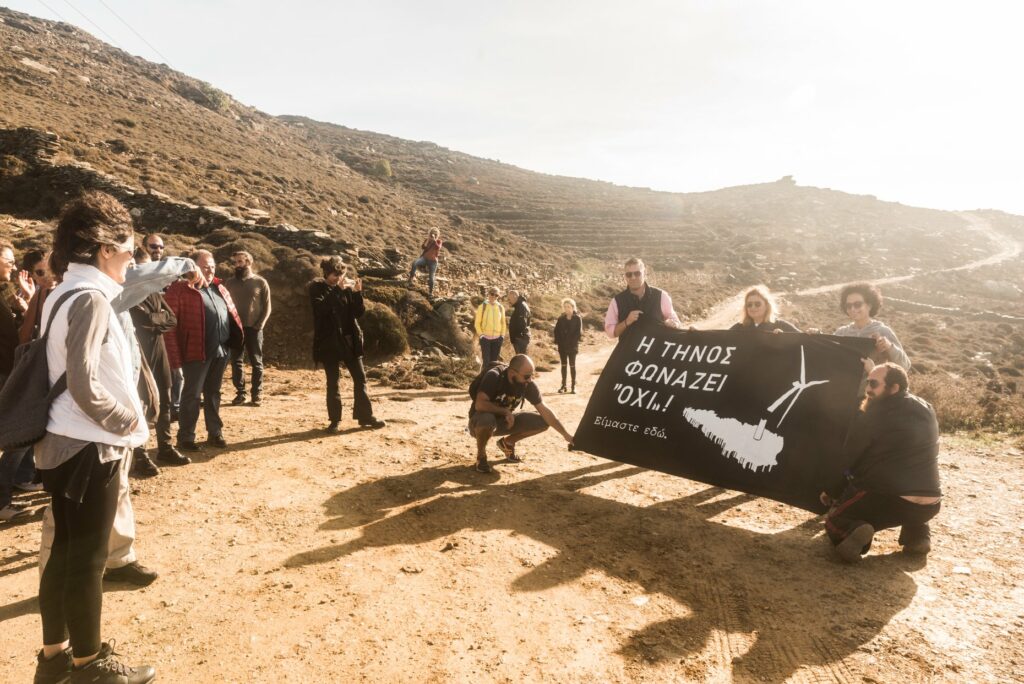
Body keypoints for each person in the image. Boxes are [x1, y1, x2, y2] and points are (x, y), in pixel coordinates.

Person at [31, 191, 155, 684]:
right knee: (88, 559)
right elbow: (84, 382)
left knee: (64, 553)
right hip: (89, 445)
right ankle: (90, 664)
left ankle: (54, 657)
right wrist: (125, 419)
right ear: (105, 248)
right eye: (127, 248)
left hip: (63, 441)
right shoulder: (91, 298)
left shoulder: (62, 292)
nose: (133, 257)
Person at [820, 362, 941, 563]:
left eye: (874, 384)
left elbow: (850, 457)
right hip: (931, 503)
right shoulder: (927, 407)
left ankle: (853, 531)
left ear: (894, 388)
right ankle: (918, 536)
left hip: (889, 500)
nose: (868, 389)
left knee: (835, 518)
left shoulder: (874, 414)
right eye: (868, 382)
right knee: (912, 488)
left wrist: (832, 490)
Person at [164, 250, 244, 453]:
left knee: (214, 393)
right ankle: (186, 438)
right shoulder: (180, 289)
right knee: (191, 395)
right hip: (195, 351)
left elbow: (232, 314)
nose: (210, 270)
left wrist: (236, 341)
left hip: (221, 350)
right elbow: (169, 325)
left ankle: (215, 433)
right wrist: (173, 356)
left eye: (213, 266)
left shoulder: (220, 288)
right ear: (193, 267)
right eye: (205, 266)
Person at [309, 257, 386, 434]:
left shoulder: (344, 287)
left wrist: (358, 293)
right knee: (333, 382)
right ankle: (334, 420)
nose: (338, 278)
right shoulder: (317, 287)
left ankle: (365, 416)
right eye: (335, 275)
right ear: (326, 273)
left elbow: (357, 313)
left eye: (341, 274)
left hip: (350, 339)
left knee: (360, 378)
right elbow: (320, 310)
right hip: (329, 341)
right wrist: (337, 291)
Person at [469, 354, 574, 473]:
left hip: (505, 422)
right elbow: (480, 404)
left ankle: (508, 443)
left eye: (532, 376)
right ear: (512, 372)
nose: (529, 380)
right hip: (479, 423)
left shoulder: (527, 384)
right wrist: (505, 411)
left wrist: (566, 435)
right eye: (527, 376)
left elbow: (545, 410)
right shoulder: (494, 376)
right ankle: (481, 456)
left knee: (543, 421)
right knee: (487, 419)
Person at [225, 250, 272, 407]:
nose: (237, 265)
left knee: (256, 361)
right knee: (236, 361)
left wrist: (260, 325)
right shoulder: (229, 283)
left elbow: (267, 307)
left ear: (249, 262)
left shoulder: (260, 282)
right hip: (235, 328)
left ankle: (257, 394)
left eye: (240, 262)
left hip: (254, 328)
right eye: (235, 262)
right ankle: (240, 394)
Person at [833, 282, 910, 370]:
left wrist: (889, 347)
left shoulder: (883, 331)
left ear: (869, 305)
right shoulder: (841, 333)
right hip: (845, 383)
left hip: (871, 383)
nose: (852, 309)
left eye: (857, 304)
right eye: (848, 305)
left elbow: (905, 366)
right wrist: (816, 335)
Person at [604, 257, 682, 339]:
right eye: (629, 274)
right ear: (625, 277)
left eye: (637, 273)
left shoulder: (661, 296)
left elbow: (677, 323)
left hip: (656, 350)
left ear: (644, 273)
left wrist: (673, 324)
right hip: (630, 351)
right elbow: (611, 333)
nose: (633, 277)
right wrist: (626, 322)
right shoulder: (617, 301)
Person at [730, 286, 800, 333]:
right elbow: (722, 342)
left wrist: (810, 334)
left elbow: (803, 342)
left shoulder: (782, 326)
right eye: (749, 305)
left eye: (757, 304)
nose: (753, 307)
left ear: (766, 305)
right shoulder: (738, 328)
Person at [553, 297, 583, 394]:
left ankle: (573, 386)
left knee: (572, 366)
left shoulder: (577, 318)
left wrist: (572, 343)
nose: (567, 309)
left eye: (569, 307)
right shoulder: (561, 318)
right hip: (562, 346)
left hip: (572, 346)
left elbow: (579, 333)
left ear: (573, 307)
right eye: (565, 307)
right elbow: (556, 331)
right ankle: (563, 385)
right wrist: (559, 342)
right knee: (563, 365)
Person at [474, 286, 506, 368]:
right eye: (492, 294)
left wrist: (502, 335)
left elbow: (503, 323)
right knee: (486, 362)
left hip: (497, 339)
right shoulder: (482, 306)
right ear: (488, 294)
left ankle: (492, 379)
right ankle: (483, 379)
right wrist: (481, 335)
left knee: (494, 362)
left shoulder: (500, 307)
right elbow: (477, 323)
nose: (494, 296)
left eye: (496, 295)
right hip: (485, 339)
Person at [407, 227, 443, 297]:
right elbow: (423, 247)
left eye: (435, 234)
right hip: (424, 258)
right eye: (432, 234)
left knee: (431, 277)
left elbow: (438, 247)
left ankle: (430, 292)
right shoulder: (427, 240)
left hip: (433, 262)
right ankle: (411, 279)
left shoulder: (439, 241)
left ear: (437, 235)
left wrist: (434, 240)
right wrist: (428, 240)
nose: (433, 235)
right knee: (415, 263)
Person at [507, 289, 531, 354]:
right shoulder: (521, 305)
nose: (509, 301)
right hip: (521, 338)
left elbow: (522, 323)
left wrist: (517, 337)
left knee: (521, 360)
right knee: (522, 359)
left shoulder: (521, 306)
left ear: (515, 296)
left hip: (520, 339)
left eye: (509, 299)